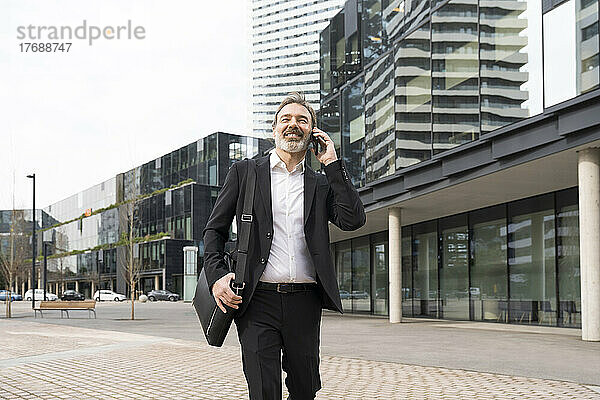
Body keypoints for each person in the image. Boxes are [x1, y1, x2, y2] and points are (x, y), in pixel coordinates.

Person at [203, 92, 366, 399]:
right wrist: (216, 276)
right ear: (274, 128)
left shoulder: (319, 183)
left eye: (302, 120)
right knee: (264, 391)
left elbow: (352, 220)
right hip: (256, 300)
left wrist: (331, 163)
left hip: (305, 303)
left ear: (313, 132)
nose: (294, 125)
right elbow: (214, 230)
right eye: (286, 119)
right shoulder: (246, 173)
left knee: (305, 390)